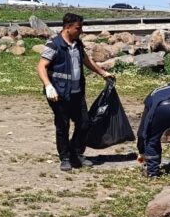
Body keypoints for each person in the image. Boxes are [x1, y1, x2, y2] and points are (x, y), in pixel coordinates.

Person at [37, 12, 114, 172]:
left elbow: (86, 60)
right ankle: (65, 158)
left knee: (84, 124)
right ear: (68, 27)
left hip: (77, 93)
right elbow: (41, 66)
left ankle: (76, 152)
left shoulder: (77, 43)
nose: (81, 31)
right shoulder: (54, 44)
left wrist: (102, 73)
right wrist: (48, 86)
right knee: (62, 125)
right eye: (78, 28)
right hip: (59, 94)